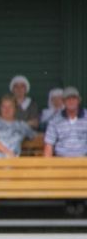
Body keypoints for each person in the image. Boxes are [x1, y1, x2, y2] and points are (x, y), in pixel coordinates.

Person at [44, 87, 87, 216]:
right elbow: (49, 145)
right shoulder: (55, 120)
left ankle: (79, 202)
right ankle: (70, 202)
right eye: (68, 99)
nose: (71, 101)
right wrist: (47, 166)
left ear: (79, 100)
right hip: (62, 161)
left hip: (83, 160)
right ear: (63, 101)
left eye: (74, 98)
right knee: (67, 170)